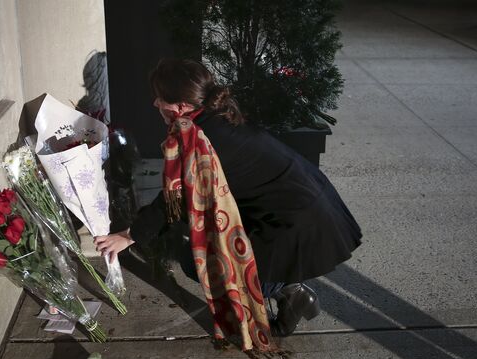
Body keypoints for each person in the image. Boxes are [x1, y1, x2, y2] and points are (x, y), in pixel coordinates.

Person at [94, 58, 362, 339]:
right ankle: (286, 288)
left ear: (182, 107)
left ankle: (289, 291)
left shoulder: (201, 141)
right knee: (203, 243)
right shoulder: (214, 116)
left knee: (199, 264)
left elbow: (174, 199)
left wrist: (129, 235)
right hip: (300, 202)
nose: (155, 104)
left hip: (298, 220)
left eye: (160, 98)